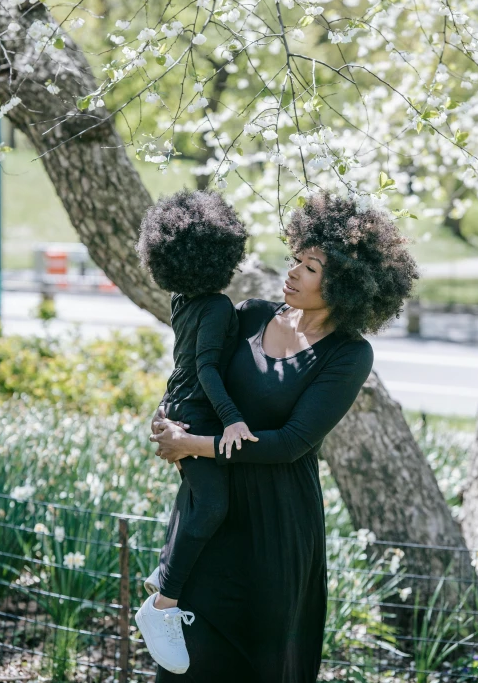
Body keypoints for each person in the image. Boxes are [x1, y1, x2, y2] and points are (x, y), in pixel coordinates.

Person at [149, 191, 420, 683]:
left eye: (311, 267)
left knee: (262, 664)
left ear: (346, 283)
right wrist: (168, 421)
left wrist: (196, 447)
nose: (292, 272)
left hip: (276, 525)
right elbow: (195, 376)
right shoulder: (250, 314)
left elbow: (291, 441)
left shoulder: (348, 355)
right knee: (188, 662)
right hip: (210, 515)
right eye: (296, 259)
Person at [133, 189, 258, 674]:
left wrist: (165, 406)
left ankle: (166, 569)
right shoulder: (217, 307)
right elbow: (206, 369)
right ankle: (162, 604)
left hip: (177, 407)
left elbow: (184, 364)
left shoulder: (181, 300)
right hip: (199, 417)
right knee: (212, 503)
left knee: (196, 498)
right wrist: (232, 419)